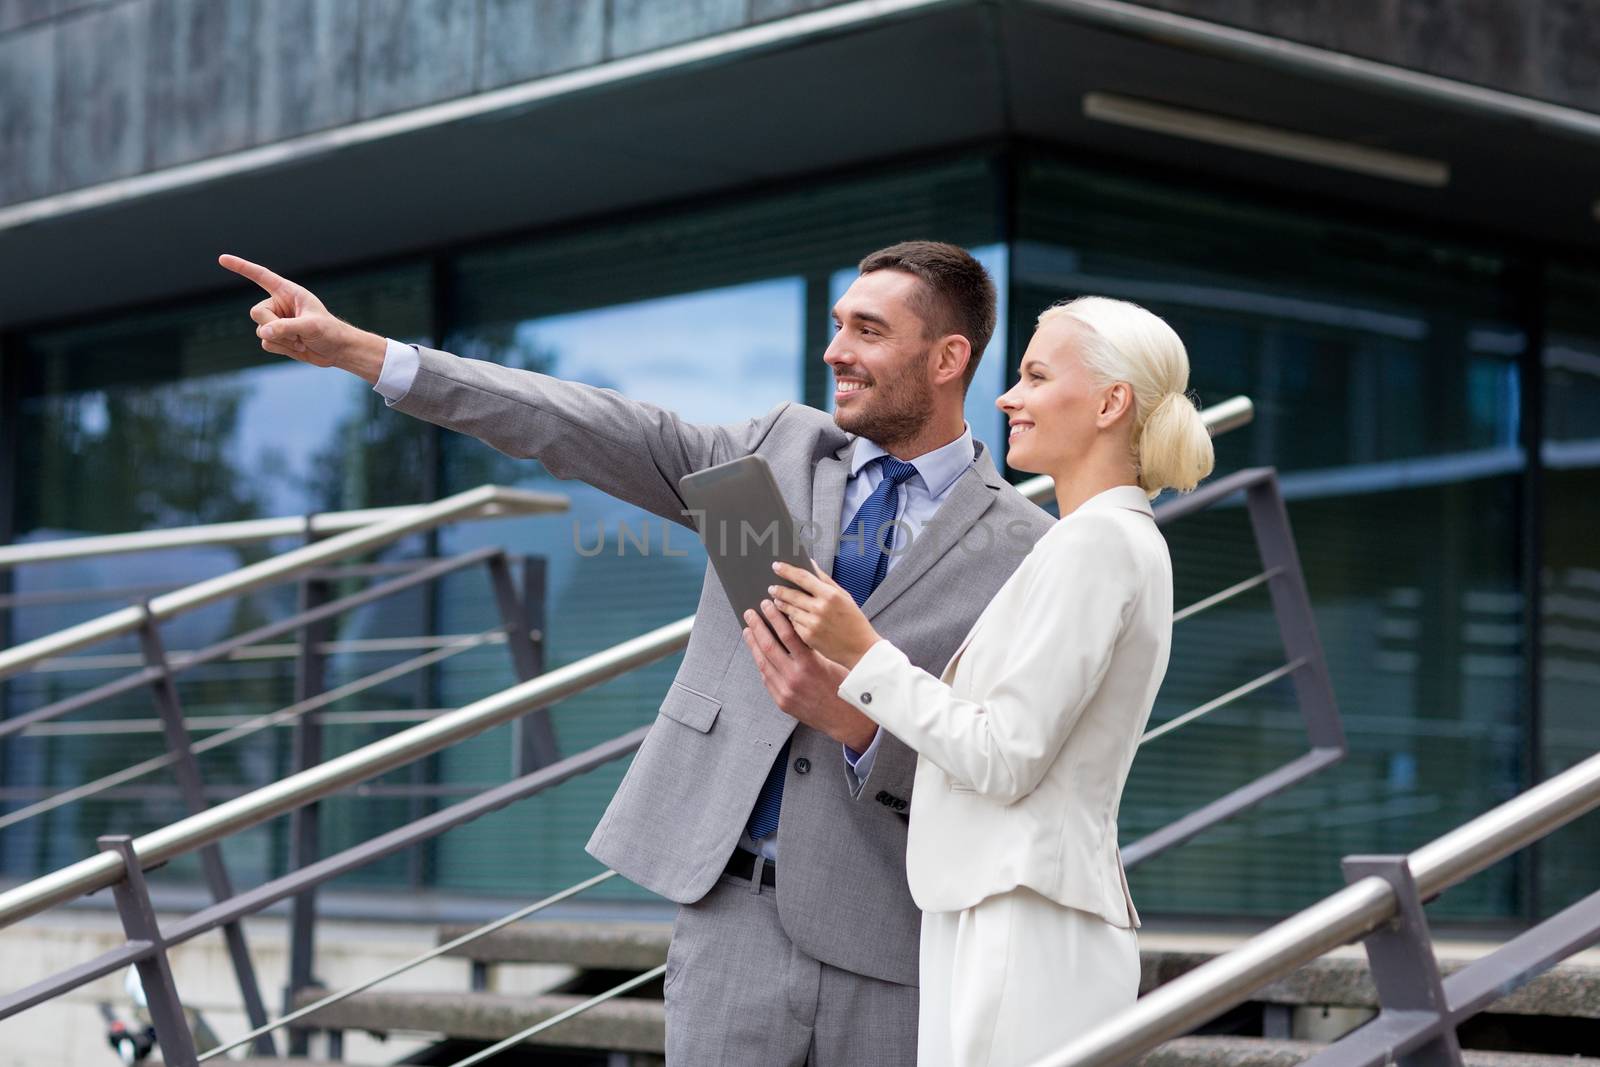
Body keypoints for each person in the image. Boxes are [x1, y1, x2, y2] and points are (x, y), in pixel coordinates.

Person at [217, 242, 1054, 1066]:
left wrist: (859, 727)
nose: (834, 350)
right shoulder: (776, 454)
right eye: (836, 324)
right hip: (729, 922)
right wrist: (364, 353)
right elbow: (577, 424)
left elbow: (1010, 764)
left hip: (892, 942)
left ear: (948, 357)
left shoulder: (1025, 548)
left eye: (867, 331)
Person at [747, 296, 1214, 1066]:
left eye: (1034, 375)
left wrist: (865, 653)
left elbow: (1005, 754)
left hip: (1023, 919)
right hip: (1002, 907)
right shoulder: (1099, 540)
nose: (1006, 396)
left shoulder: (1096, 543)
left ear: (1110, 403)